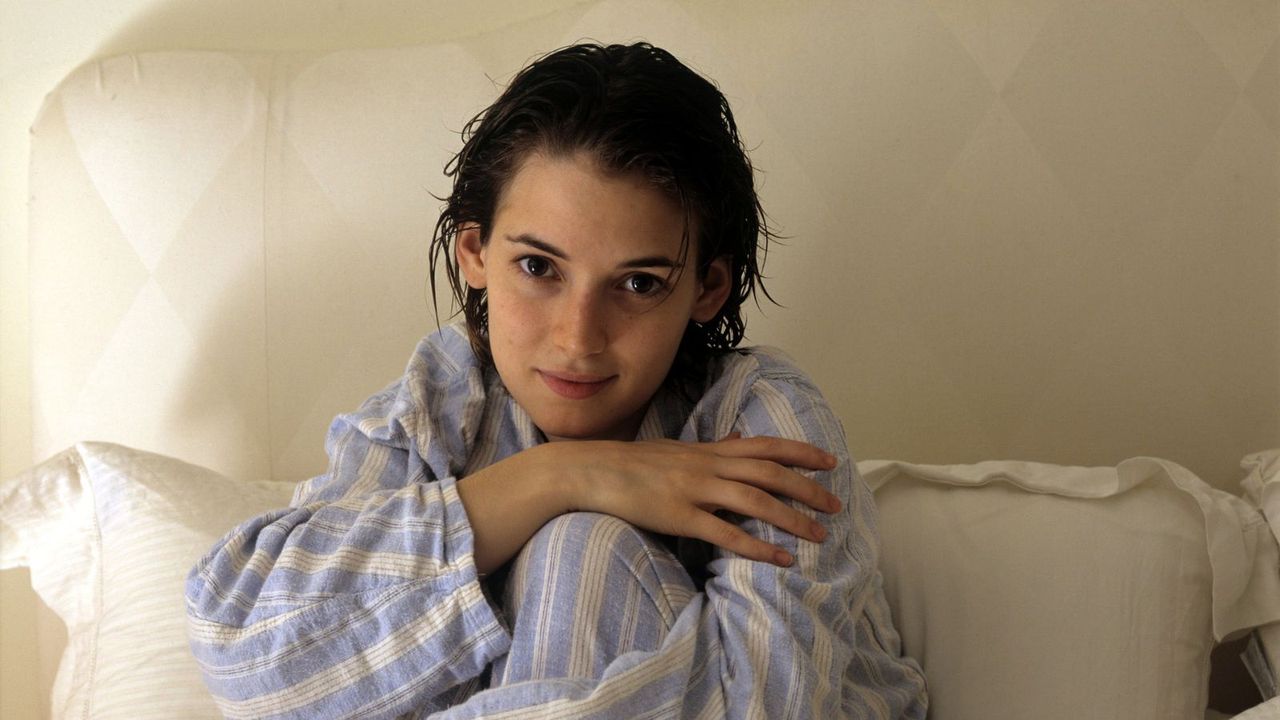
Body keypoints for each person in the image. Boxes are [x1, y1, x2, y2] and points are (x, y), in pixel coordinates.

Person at [185, 42, 927, 719]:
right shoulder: (439, 404)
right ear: (475, 253)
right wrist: (561, 476)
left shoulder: (766, 426)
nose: (578, 338)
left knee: (583, 552)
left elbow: (775, 707)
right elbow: (240, 648)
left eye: (638, 283)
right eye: (538, 267)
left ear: (707, 289)